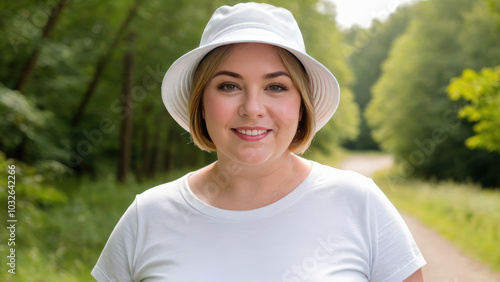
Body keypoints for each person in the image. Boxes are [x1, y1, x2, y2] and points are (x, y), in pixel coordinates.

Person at [92, 2, 426, 281]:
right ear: (202, 104)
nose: (252, 109)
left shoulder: (360, 203)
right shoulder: (147, 216)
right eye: (228, 86)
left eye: (276, 87)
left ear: (301, 105)